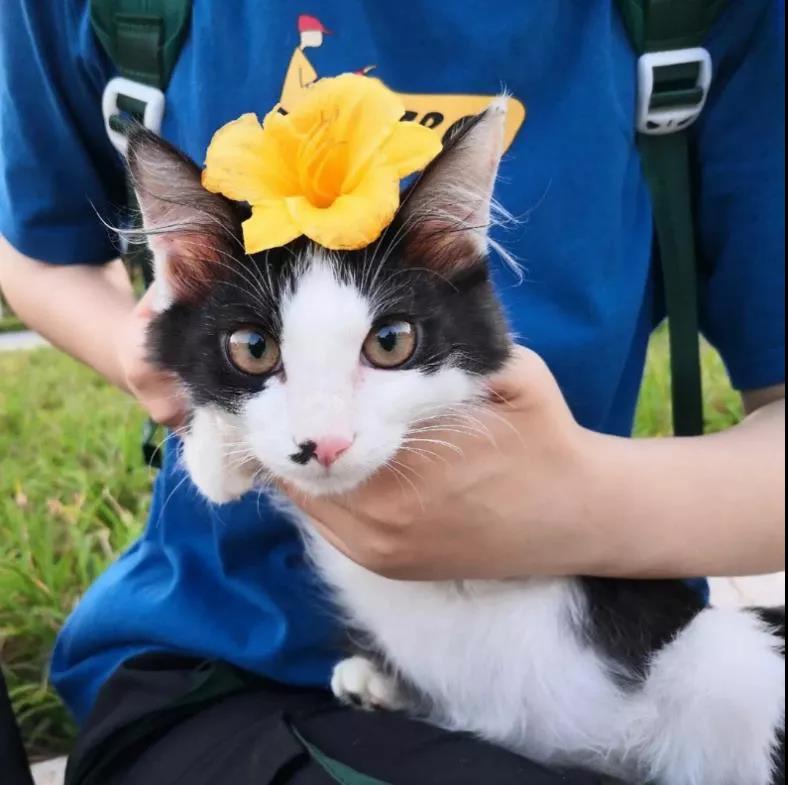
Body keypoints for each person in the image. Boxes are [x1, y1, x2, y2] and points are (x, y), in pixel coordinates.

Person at [0, 3, 784, 784]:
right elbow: (34, 252)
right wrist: (164, 369)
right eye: (255, 352)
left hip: (639, 652)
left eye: (387, 346)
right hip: (226, 671)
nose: (327, 437)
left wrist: (580, 499)